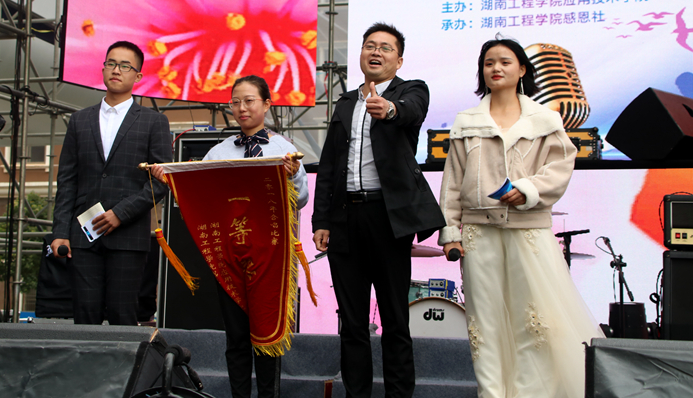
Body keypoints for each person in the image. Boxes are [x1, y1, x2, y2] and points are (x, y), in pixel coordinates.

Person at [438, 35, 603, 398]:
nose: (495, 68)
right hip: (478, 234)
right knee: (484, 322)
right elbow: (453, 182)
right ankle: (491, 392)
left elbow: (560, 166)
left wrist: (528, 189)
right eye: (488, 63)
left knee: (535, 318)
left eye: (505, 62)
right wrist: (450, 232)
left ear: (523, 69)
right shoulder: (466, 122)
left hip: (528, 231)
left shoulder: (544, 119)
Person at [151, 75, 308, 398]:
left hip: (270, 256)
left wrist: (292, 178)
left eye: (249, 100)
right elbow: (201, 197)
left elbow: (302, 198)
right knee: (235, 335)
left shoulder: (285, 150)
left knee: (267, 335)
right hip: (230, 254)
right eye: (236, 102)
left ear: (267, 104)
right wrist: (172, 181)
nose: (241, 108)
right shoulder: (219, 151)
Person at [311, 22, 445, 398]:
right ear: (360, 54)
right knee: (351, 323)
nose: (376, 52)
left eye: (386, 48)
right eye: (370, 45)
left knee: (395, 320)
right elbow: (329, 164)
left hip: (388, 219)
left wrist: (388, 109)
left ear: (398, 60)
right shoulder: (345, 102)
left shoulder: (411, 90)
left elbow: (410, 112)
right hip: (344, 220)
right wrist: (322, 219)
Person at [51, 40, 172, 325]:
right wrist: (60, 232)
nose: (116, 70)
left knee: (122, 315)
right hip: (83, 235)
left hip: (128, 236)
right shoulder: (79, 120)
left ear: (138, 76)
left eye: (125, 66)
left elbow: (161, 182)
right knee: (85, 316)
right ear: (103, 68)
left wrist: (121, 213)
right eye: (111, 64)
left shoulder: (154, 122)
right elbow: (67, 180)